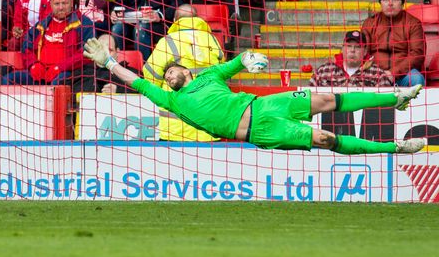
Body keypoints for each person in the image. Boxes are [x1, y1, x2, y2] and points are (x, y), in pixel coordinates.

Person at [82, 38, 426, 154]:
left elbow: (238, 61)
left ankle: (395, 97)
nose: (168, 77)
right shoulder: (170, 99)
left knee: (327, 99)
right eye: (165, 77)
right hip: (260, 130)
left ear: (185, 69)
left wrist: (250, 58)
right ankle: (395, 148)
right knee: (326, 138)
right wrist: (109, 62)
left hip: (264, 104)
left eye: (171, 72)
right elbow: (136, 81)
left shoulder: (210, 75)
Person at [143, 4, 224, 141]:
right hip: (209, 128)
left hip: (176, 130)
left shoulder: (168, 41)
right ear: (197, 18)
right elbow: (221, 72)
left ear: (175, 20)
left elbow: (150, 73)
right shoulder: (213, 40)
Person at [2, 0, 95, 85]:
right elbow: (27, 48)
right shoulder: (42, 24)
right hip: (40, 73)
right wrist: (33, 65)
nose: (61, 7)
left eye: (64, 3)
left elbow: (87, 53)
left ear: (71, 2)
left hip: (67, 72)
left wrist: (60, 67)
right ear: (50, 4)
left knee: (57, 83)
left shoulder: (84, 23)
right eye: (57, 4)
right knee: (9, 79)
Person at [361, 0, 426, 87]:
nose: (390, 3)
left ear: (402, 3)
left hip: (403, 75)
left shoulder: (413, 23)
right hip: (375, 75)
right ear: (380, 3)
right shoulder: (369, 23)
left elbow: (417, 54)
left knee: (416, 78)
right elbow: (363, 51)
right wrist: (375, 72)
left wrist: (393, 73)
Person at [310, 30, 394, 87]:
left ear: (365, 51)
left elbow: (385, 104)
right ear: (342, 49)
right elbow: (309, 97)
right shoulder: (324, 70)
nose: (352, 50)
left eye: (357, 47)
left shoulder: (377, 74)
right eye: (349, 46)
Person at [71, 34, 136, 94]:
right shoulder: (81, 73)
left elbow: (141, 89)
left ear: (117, 52)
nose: (105, 54)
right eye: (100, 50)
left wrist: (119, 90)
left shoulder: (131, 73)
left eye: (110, 50)